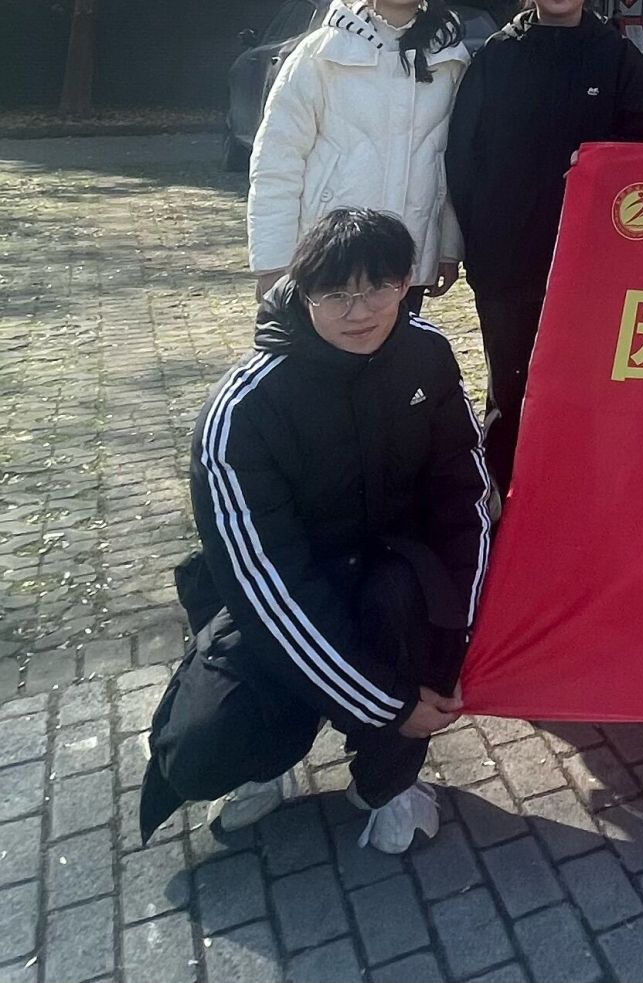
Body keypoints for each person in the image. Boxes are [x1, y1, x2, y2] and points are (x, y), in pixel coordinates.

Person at [138, 209, 490, 856]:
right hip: (291, 596)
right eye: (336, 293)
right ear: (302, 290)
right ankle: (276, 751)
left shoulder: (427, 355)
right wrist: (387, 704)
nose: (361, 311)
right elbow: (268, 590)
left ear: (407, 281)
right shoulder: (243, 411)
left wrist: (462, 641)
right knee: (198, 753)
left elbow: (465, 501)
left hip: (392, 580)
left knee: (413, 603)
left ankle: (386, 782)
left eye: (380, 287)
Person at [445, 0, 643, 492]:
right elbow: (463, 155)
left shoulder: (615, 57)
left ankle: (574, 498)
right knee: (510, 383)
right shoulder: (498, 56)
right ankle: (503, 499)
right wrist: (474, 239)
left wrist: (603, 167)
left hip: (592, 262)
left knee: (584, 384)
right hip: (505, 259)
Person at [246, 0, 469, 304]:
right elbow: (276, 161)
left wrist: (447, 249)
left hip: (406, 262)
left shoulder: (449, 58)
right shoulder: (321, 53)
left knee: (397, 345)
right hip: (328, 257)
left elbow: (451, 163)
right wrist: (272, 263)